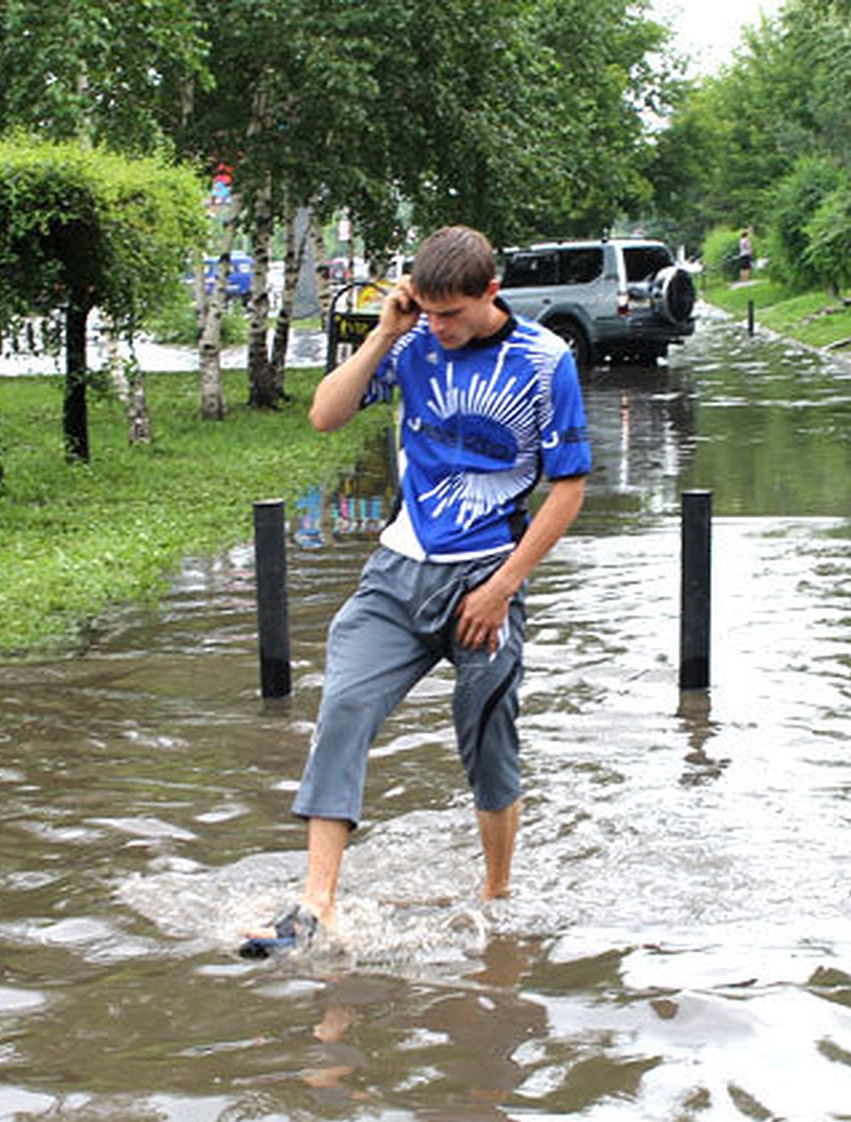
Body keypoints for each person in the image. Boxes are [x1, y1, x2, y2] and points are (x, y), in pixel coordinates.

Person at [239, 225, 591, 957]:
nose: (438, 327)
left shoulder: (544, 360)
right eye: (426, 311)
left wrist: (502, 588)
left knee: (487, 738)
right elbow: (325, 413)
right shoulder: (411, 345)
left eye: (450, 314)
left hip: (486, 575)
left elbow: (569, 486)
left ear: (490, 294)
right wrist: (384, 333)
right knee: (342, 708)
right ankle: (316, 904)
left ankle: (497, 895)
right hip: (399, 572)